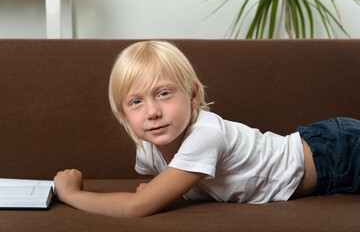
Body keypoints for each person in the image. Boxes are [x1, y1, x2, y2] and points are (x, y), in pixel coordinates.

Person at [54, 40, 360, 218]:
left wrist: (71, 194)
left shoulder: (206, 134)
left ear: (193, 95)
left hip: (337, 151)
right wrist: (162, 188)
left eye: (164, 93)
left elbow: (136, 207)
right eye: (136, 102)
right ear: (123, 114)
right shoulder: (148, 149)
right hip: (327, 167)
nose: (152, 111)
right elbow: (189, 182)